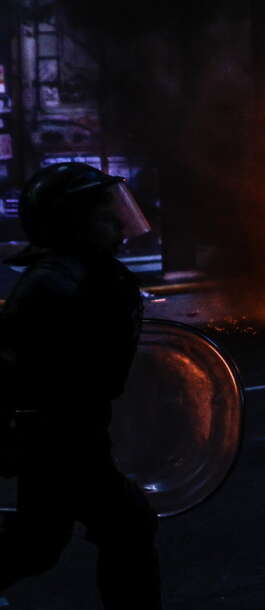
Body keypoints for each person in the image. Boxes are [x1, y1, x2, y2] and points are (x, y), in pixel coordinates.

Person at [0, 163, 160, 608]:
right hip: (59, 438)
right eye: (105, 217)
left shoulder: (82, 272)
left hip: (69, 434)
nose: (119, 227)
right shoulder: (58, 283)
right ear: (70, 222)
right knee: (127, 525)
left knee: (37, 545)